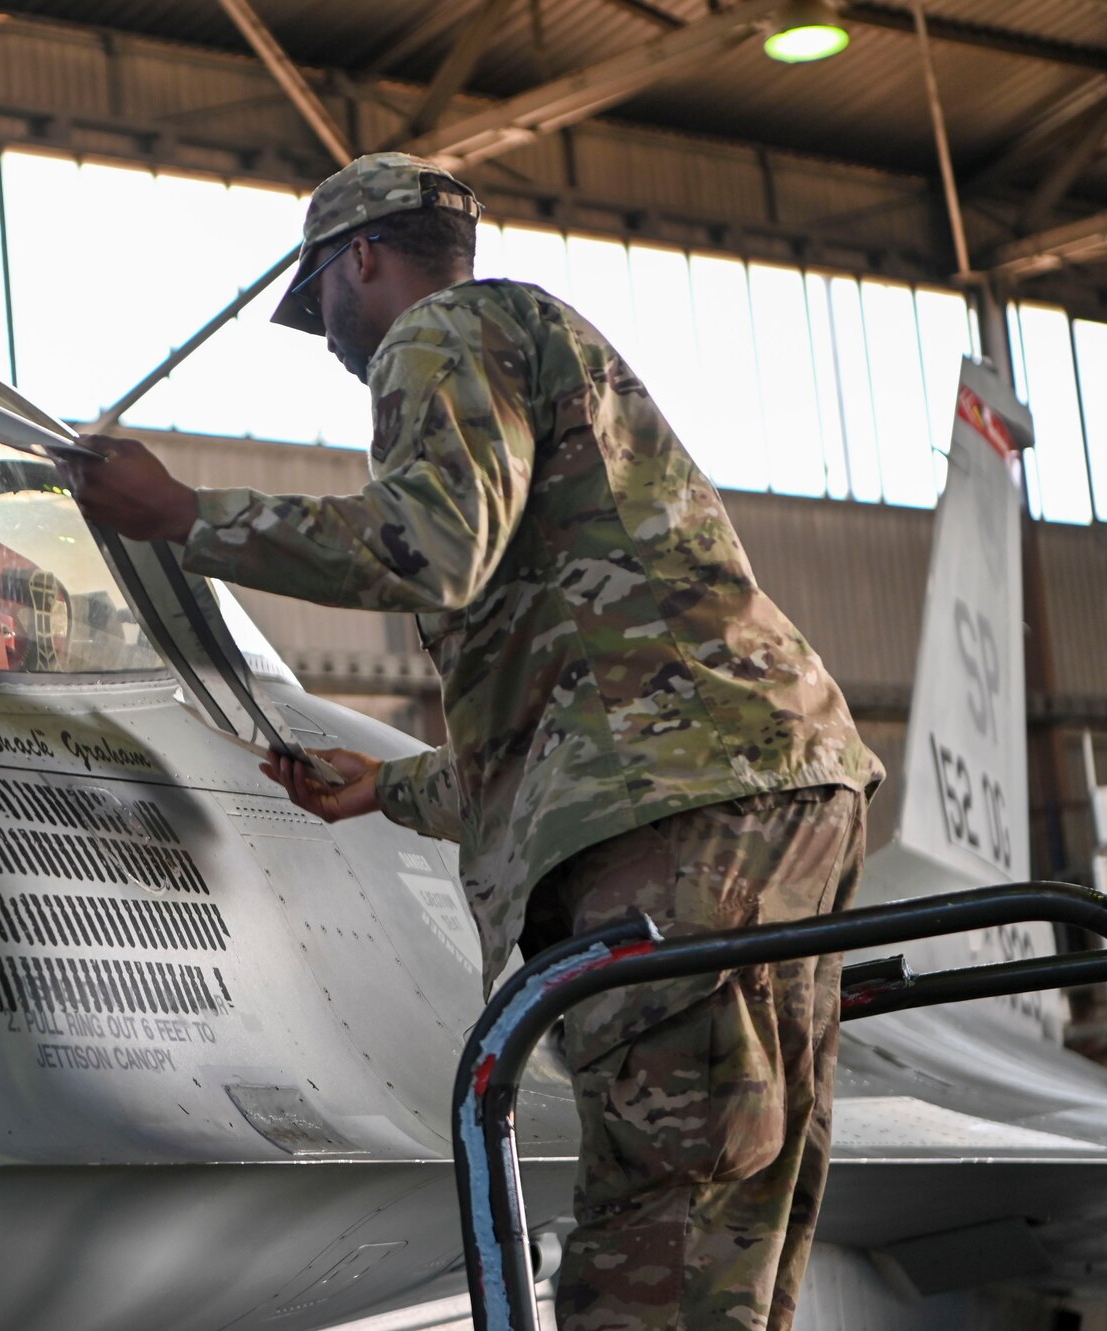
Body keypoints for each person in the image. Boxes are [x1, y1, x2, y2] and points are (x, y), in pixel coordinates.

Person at [67, 151, 884, 1331]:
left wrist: (185, 515)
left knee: (656, 1215)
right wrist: (391, 788)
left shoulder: (438, 329)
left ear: (359, 260)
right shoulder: (543, 348)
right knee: (735, 1199)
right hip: (766, 783)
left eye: (326, 313)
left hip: (679, 817)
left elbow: (426, 545)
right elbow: (597, 727)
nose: (336, 343)